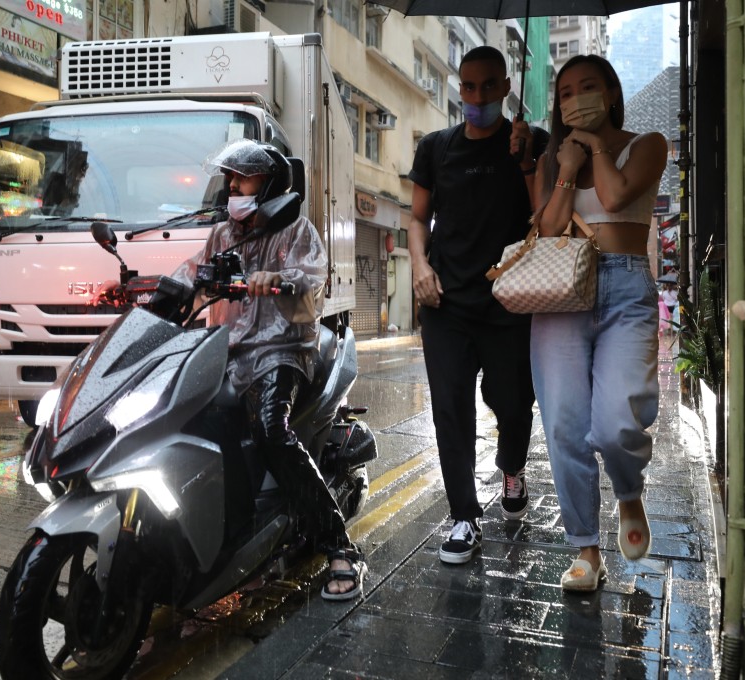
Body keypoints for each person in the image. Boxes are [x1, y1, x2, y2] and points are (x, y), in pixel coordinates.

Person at [170, 139, 367, 601]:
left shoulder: (298, 232)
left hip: (282, 352)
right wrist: (157, 288)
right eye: (231, 178)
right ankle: (234, 540)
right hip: (226, 355)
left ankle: (339, 545)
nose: (233, 186)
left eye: (243, 178)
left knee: (270, 431)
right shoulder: (222, 235)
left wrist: (278, 280)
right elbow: (191, 273)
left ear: (270, 184)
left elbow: (312, 279)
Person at [529, 55, 667, 592]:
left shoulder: (647, 143)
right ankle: (586, 547)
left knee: (616, 424)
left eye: (587, 87)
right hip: (561, 292)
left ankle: (628, 490)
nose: (574, 99)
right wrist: (564, 168)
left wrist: (594, 146)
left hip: (626, 288)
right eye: (565, 92)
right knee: (565, 424)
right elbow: (550, 226)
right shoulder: (552, 159)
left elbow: (613, 196)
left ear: (611, 92)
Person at [407, 46, 548, 565]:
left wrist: (528, 161)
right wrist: (420, 267)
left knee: (513, 402)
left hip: (512, 300)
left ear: (506, 86)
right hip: (446, 301)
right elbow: (418, 219)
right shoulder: (436, 149)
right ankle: (464, 515)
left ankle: (512, 465)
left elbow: (547, 218)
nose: (478, 97)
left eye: (489, 86)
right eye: (468, 87)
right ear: (458, 89)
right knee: (450, 410)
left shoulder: (530, 143)